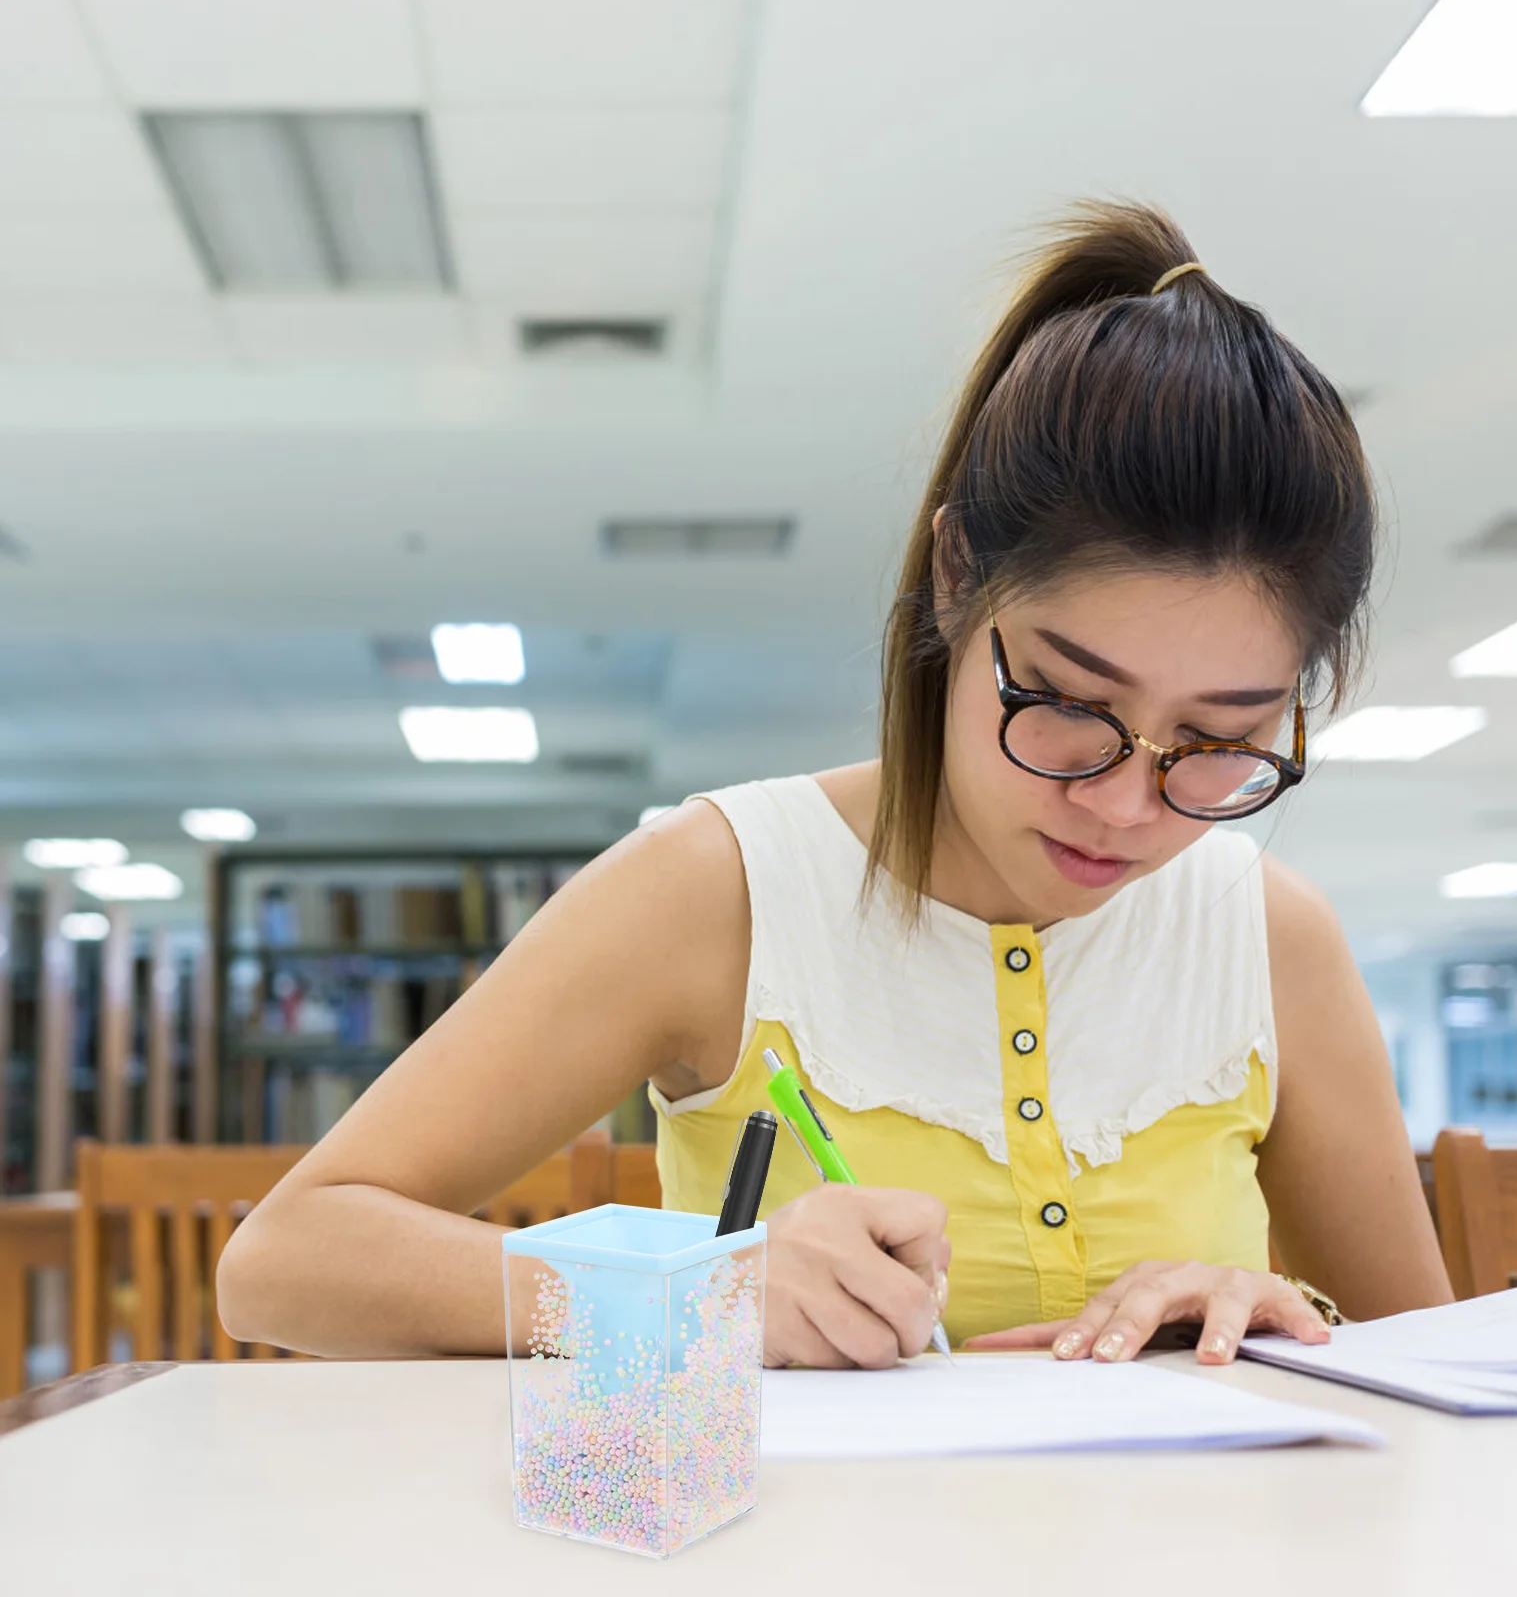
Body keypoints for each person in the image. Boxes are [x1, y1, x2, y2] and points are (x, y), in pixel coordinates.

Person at [217, 201, 1453, 1371]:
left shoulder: (1268, 935)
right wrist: (700, 1298)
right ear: (958, 575)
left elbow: (1436, 1370)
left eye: (1216, 742)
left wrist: (1278, 1317)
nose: (1128, 804)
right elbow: (284, 1261)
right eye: (1073, 711)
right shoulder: (722, 890)